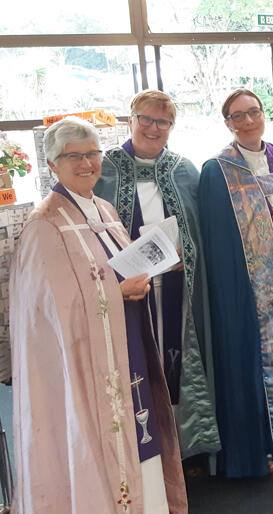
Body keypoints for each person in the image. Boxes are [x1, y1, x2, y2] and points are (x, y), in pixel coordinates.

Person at [11, 117, 187, 512]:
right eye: (74, 156)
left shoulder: (104, 210)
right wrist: (115, 291)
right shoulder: (46, 224)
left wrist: (155, 264)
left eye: (92, 153)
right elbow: (49, 311)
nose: (88, 163)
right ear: (53, 163)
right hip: (86, 366)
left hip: (129, 349)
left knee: (141, 435)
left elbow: (118, 265)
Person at [94, 90, 221, 469]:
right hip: (129, 291)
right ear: (129, 120)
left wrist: (189, 254)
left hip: (178, 289)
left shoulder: (184, 171)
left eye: (162, 121)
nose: (153, 127)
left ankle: (182, 447)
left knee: (176, 363)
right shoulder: (104, 169)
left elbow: (204, 230)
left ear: (171, 127)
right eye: (145, 119)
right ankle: (141, 452)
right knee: (135, 364)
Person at [199, 88, 273, 478]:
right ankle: (261, 443)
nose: (248, 121)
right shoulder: (218, 170)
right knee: (256, 360)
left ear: (264, 114)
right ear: (228, 123)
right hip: (248, 286)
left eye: (254, 112)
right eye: (238, 116)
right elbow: (221, 236)